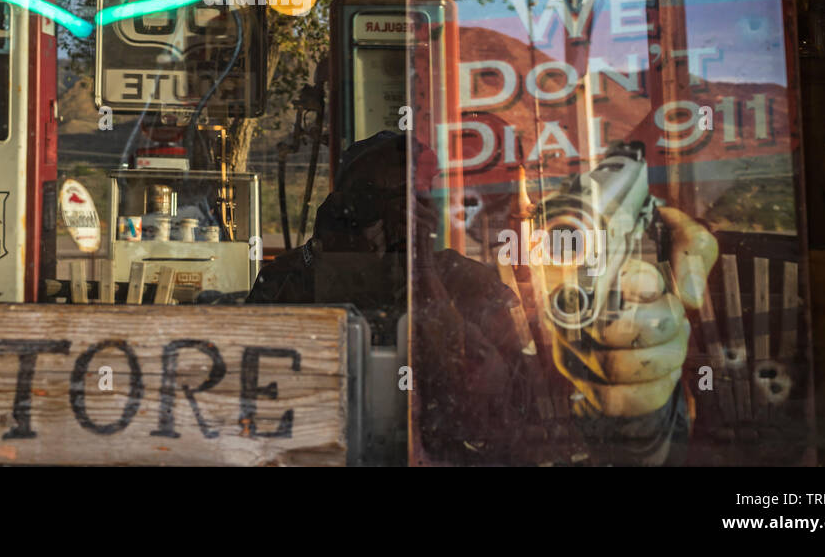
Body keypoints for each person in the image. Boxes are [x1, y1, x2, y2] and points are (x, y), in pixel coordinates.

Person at [248, 130, 718, 465]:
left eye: (406, 198)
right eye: (369, 197)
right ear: (339, 205)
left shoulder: (465, 281)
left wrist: (421, 266)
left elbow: (493, 406)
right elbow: (248, 383)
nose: (390, 212)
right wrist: (326, 252)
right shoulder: (295, 276)